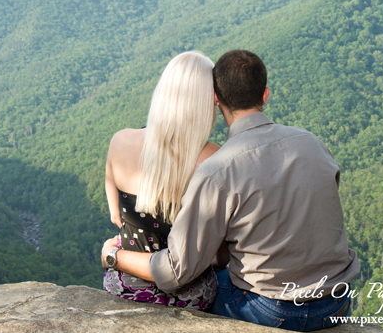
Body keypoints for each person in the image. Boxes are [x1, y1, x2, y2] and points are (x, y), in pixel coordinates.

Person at [102, 49, 360, 331]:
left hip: (269, 310)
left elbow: (176, 271)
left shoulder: (218, 168)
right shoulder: (312, 142)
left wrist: (114, 256)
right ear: (265, 95)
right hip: (335, 302)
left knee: (207, 281)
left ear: (216, 100)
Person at [101, 51, 220, 310]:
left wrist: (115, 251)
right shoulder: (216, 158)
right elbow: (219, 255)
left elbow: (116, 217)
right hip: (189, 295)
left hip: (125, 286)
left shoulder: (120, 141)